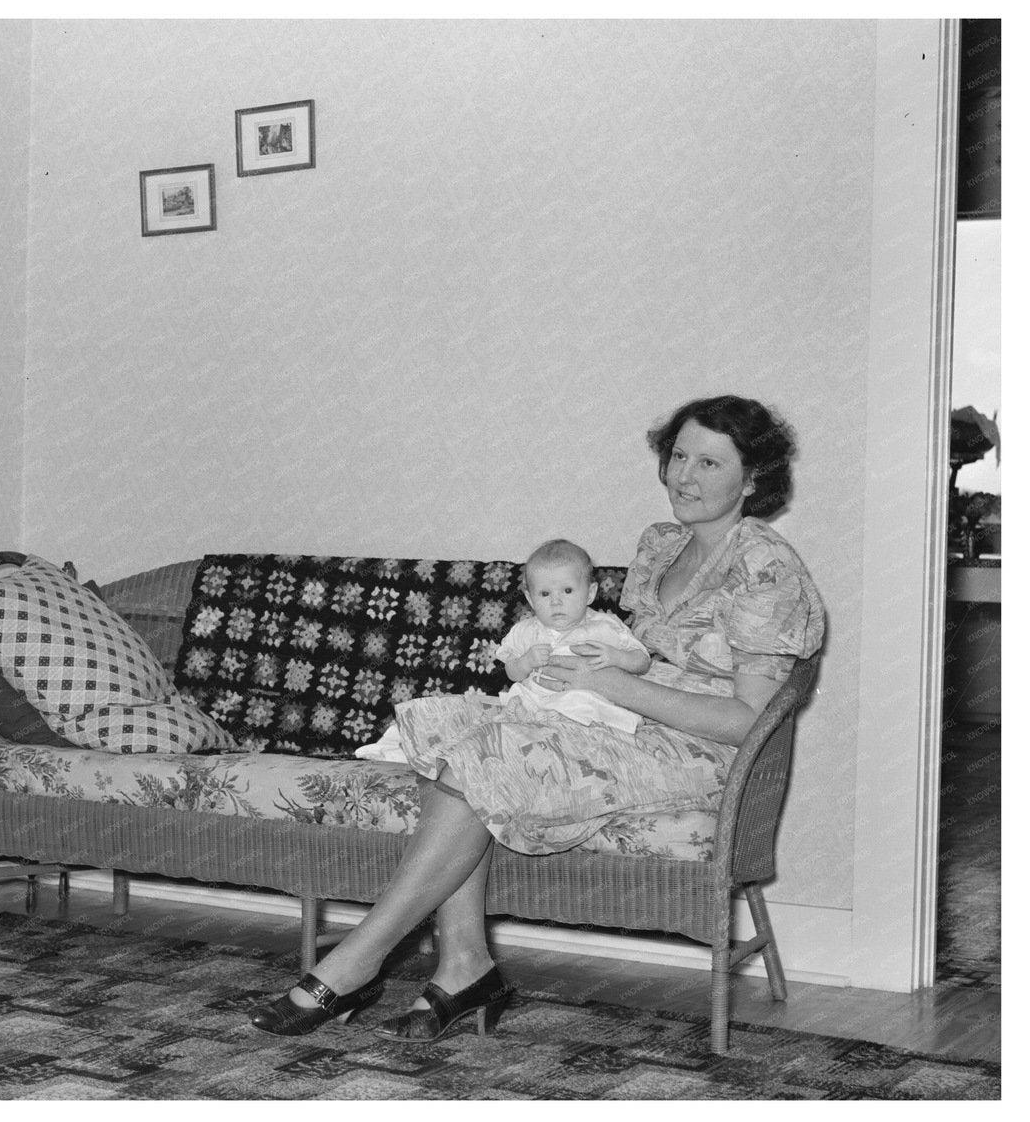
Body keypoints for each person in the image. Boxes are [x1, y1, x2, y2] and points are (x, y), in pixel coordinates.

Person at [250, 395, 826, 1043]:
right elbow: (624, 645)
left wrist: (610, 683)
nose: (684, 476)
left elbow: (750, 719)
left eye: (710, 462)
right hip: (615, 716)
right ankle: (464, 964)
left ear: (752, 478)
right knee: (455, 729)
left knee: (488, 755)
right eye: (679, 455)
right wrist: (578, 667)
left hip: (693, 748)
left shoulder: (765, 567)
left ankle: (357, 960)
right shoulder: (663, 544)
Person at [497, 538, 650, 734]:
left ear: (590, 593)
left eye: (567, 591)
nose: (556, 601)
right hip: (535, 702)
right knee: (516, 696)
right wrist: (525, 662)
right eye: (544, 594)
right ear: (530, 599)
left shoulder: (604, 627)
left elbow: (642, 660)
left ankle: (562, 725)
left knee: (581, 702)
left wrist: (617, 657)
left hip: (582, 704)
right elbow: (512, 672)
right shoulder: (524, 631)